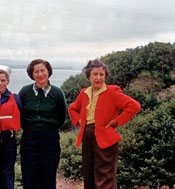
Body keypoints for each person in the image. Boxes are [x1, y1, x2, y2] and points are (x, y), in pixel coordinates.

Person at [68, 59, 141, 189]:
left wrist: (117, 121)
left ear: (105, 76)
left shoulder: (112, 92)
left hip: (105, 138)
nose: (98, 78)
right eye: (95, 74)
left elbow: (134, 106)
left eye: (101, 75)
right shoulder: (84, 93)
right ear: (89, 76)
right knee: (88, 172)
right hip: (87, 137)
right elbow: (72, 108)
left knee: (105, 175)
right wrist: (79, 120)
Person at [18, 59, 67, 189]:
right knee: (29, 176)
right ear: (32, 74)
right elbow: (19, 113)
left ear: (48, 72)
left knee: (48, 176)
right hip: (29, 138)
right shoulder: (24, 92)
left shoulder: (57, 92)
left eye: (43, 70)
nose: (40, 74)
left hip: (50, 139)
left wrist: (49, 128)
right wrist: (30, 127)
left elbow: (62, 116)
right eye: (36, 71)